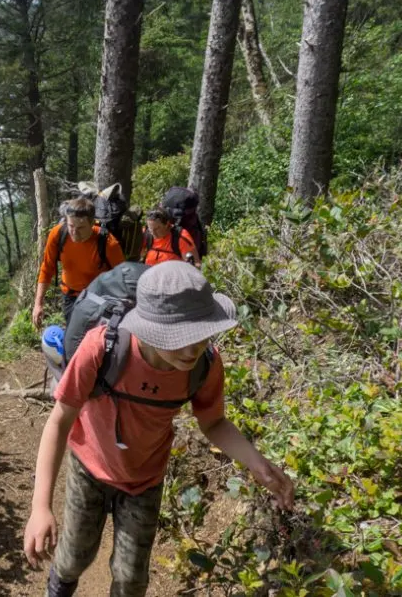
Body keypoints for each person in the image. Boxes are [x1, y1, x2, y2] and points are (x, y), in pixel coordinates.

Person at [23, 262, 295, 596]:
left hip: (145, 479)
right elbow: (60, 420)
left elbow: (214, 422)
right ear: (147, 328)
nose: (191, 349)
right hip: (89, 469)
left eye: (199, 335)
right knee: (72, 558)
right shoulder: (101, 347)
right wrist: (40, 507)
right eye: (177, 338)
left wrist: (258, 464)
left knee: (131, 579)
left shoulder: (204, 365)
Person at [35, 197, 125, 327]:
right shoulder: (58, 234)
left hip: (99, 299)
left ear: (92, 223)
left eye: (81, 227)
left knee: (93, 340)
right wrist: (38, 304)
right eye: (71, 225)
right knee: (74, 339)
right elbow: (47, 268)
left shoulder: (108, 243)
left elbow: (122, 277)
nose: (74, 232)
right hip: (70, 296)